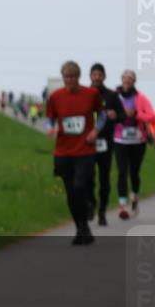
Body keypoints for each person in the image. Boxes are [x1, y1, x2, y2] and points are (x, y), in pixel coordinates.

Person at [45, 61, 104, 245]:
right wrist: (50, 128)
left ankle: (88, 208)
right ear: (63, 78)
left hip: (85, 149)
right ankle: (81, 229)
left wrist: (96, 131)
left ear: (78, 77)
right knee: (71, 193)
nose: (69, 80)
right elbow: (49, 118)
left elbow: (101, 115)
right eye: (66, 77)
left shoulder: (91, 94)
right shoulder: (55, 97)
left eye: (72, 77)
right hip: (63, 150)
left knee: (80, 186)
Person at [112, 69, 155, 219]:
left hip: (138, 140)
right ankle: (122, 206)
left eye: (130, 78)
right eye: (125, 78)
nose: (127, 80)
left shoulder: (141, 98)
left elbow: (151, 116)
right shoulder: (115, 96)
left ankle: (135, 198)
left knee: (134, 172)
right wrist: (120, 114)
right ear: (121, 80)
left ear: (134, 81)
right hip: (119, 139)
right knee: (122, 171)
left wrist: (137, 114)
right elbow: (107, 111)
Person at [87, 63, 124, 226]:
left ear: (104, 76)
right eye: (94, 74)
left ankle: (102, 211)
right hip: (88, 141)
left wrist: (115, 115)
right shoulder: (84, 94)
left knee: (104, 178)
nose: (97, 77)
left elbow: (122, 115)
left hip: (106, 141)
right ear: (90, 76)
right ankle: (91, 203)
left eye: (100, 75)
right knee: (87, 176)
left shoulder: (111, 95)